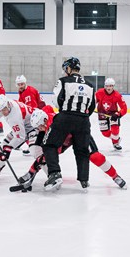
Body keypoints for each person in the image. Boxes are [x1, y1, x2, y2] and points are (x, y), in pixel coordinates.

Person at [13, 107, 126, 190]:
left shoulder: (54, 125)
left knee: (95, 157)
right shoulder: (46, 121)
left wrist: (33, 169)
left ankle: (115, 176)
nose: (40, 129)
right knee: (47, 154)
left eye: (40, 126)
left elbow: (51, 152)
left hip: (79, 134)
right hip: (67, 139)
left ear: (44, 121)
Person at [42, 57, 95, 191]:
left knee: (49, 144)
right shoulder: (90, 85)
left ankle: (54, 173)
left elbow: (56, 101)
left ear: (68, 68)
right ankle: (84, 180)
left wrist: (67, 113)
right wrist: (82, 116)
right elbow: (92, 106)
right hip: (83, 120)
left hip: (65, 117)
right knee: (82, 150)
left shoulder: (63, 81)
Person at [0, 95, 38, 178]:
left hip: (33, 127)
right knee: (3, 145)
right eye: (1, 110)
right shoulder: (6, 103)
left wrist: (8, 149)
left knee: (36, 152)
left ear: (8, 104)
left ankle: (49, 172)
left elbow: (21, 137)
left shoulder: (15, 117)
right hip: (23, 124)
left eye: (4, 109)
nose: (3, 112)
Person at [95, 78, 128, 150]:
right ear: (104, 86)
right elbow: (93, 102)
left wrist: (118, 114)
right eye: (107, 86)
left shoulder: (117, 95)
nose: (108, 88)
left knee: (115, 129)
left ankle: (115, 142)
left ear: (113, 86)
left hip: (113, 114)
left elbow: (124, 108)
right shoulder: (99, 92)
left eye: (110, 86)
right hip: (102, 113)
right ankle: (116, 139)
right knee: (105, 133)